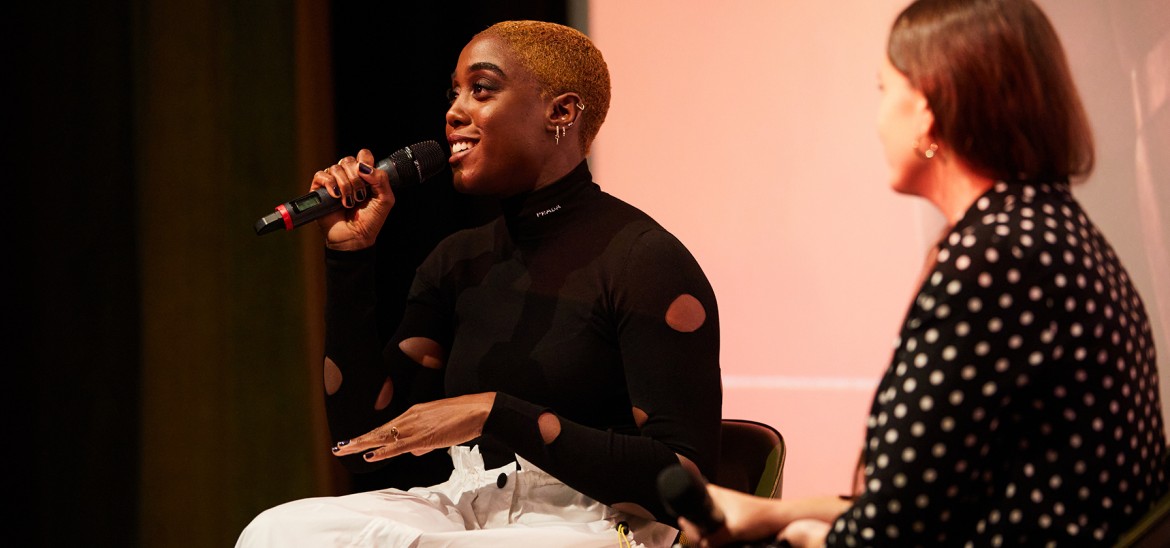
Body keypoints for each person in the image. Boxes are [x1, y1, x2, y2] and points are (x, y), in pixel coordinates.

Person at [678, 0, 1166, 546]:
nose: (879, 116)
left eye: (885, 90)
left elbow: (897, 531)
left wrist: (808, 535)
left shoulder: (992, 261)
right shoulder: (1049, 230)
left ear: (929, 107)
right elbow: (935, 492)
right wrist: (779, 515)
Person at [236, 20, 722, 547]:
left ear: (560, 112)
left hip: (596, 520)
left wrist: (494, 412)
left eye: (482, 89)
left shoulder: (644, 259)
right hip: (472, 502)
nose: (453, 112)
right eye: (455, 92)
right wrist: (349, 258)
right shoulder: (460, 260)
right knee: (281, 530)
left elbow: (684, 484)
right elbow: (360, 442)